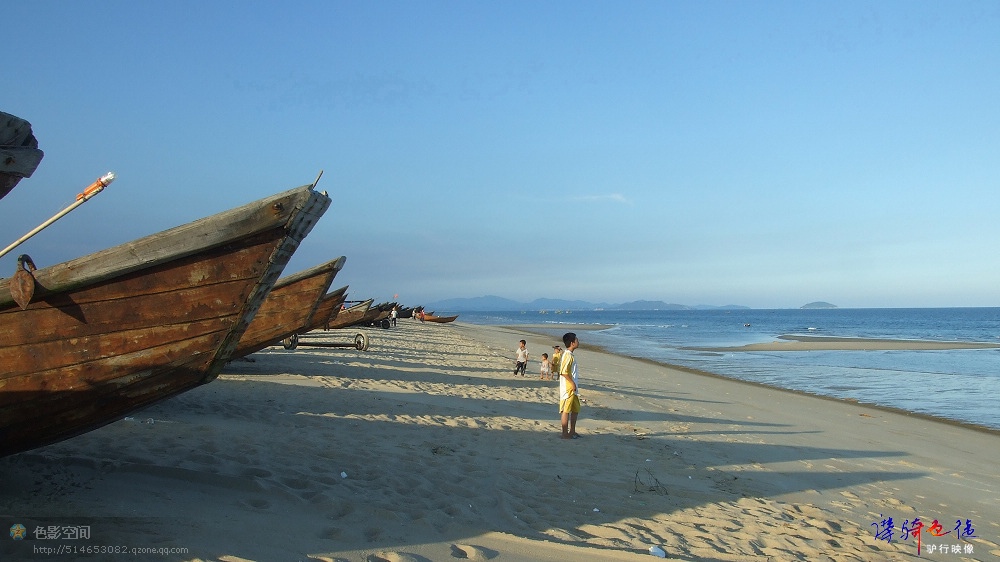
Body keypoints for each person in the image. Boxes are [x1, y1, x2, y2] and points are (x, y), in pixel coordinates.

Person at [558, 332, 581, 439]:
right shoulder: (567, 355)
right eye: (576, 340)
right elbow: (563, 372)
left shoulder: (570, 355)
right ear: (572, 343)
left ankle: (572, 431)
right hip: (568, 388)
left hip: (573, 387)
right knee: (565, 410)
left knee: (575, 409)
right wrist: (572, 383)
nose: (578, 342)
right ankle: (564, 433)